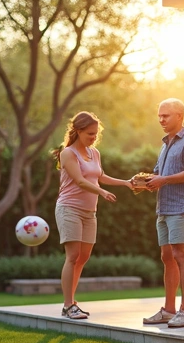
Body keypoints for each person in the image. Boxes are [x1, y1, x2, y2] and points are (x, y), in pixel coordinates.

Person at [53, 111, 131, 320]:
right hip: (69, 208)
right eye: (89, 134)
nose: (93, 138)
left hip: (90, 212)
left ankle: (72, 302)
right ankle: (68, 305)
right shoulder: (68, 153)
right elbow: (79, 180)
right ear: (77, 131)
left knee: (83, 257)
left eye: (95, 134)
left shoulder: (94, 153)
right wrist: (101, 191)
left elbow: (100, 176)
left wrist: (125, 182)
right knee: (72, 256)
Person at [142, 98, 184, 329]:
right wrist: (143, 181)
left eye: (165, 115)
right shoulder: (165, 144)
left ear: (179, 116)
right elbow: (159, 173)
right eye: (159, 115)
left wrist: (164, 179)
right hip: (164, 208)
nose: (161, 119)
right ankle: (169, 310)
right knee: (167, 257)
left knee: (180, 255)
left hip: (181, 207)